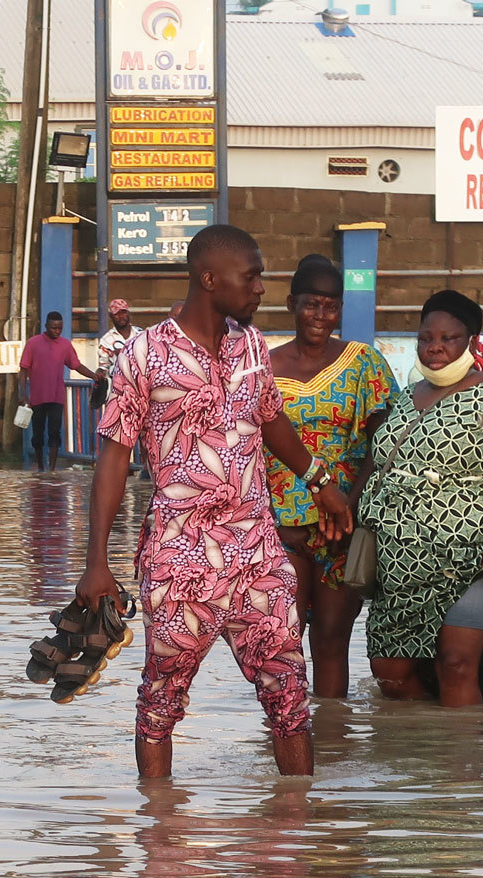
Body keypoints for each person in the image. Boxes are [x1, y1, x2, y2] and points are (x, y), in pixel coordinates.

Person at [78, 224, 352, 779]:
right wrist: (96, 562)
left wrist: (319, 480)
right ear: (210, 278)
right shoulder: (144, 354)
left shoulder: (251, 346)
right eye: (251, 277)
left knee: (290, 702)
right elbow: (112, 460)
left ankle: (292, 841)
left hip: (258, 555)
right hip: (181, 562)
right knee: (160, 705)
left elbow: (270, 417)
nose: (261, 288)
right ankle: (161, 843)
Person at [356, 290, 483, 707]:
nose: (435, 346)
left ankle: (462, 763)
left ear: (470, 342)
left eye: (448, 338)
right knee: (390, 674)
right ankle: (419, 757)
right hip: (398, 560)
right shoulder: (405, 397)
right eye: (426, 337)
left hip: (470, 556)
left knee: (456, 664)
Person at [265, 255, 397, 699]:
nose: (320, 316)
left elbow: (385, 445)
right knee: (281, 644)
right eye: (310, 305)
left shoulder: (364, 364)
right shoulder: (262, 366)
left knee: (331, 642)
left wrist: (351, 511)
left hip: (345, 525)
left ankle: (333, 747)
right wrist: (273, 521)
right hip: (281, 526)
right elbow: (245, 450)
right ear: (291, 304)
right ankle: (287, 749)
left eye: (330, 306)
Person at [19, 312, 96, 472]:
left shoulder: (65, 345)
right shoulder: (33, 343)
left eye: (60, 328)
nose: (57, 331)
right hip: (37, 397)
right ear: (46, 326)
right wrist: (23, 394)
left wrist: (94, 376)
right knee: (38, 434)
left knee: (55, 432)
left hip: (56, 396)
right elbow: (23, 369)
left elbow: (76, 365)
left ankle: (52, 469)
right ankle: (40, 466)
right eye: (53, 327)